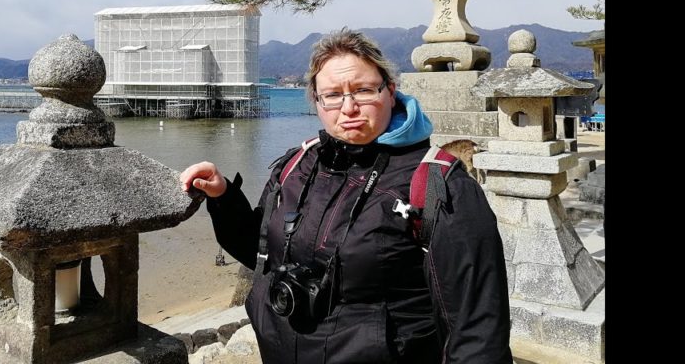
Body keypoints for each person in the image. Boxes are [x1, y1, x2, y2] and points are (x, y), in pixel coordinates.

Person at [180, 28, 511, 364]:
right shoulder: (298, 165)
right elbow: (262, 254)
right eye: (333, 95)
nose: (349, 107)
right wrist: (223, 197)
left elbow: (477, 329)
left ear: (390, 91)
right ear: (317, 102)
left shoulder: (438, 184)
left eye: (364, 90)